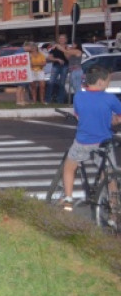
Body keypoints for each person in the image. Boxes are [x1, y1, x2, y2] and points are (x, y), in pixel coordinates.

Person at [60, 66, 121, 210]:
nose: (107, 85)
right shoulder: (110, 98)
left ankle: (68, 198)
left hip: (83, 142)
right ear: (100, 82)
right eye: (107, 82)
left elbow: (78, 115)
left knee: (69, 166)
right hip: (103, 142)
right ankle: (114, 208)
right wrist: (115, 120)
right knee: (109, 176)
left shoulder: (79, 96)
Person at [46, 34, 69, 104]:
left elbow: (69, 57)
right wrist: (57, 59)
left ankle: (60, 101)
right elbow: (49, 58)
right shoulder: (54, 48)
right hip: (55, 66)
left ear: (66, 40)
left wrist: (63, 49)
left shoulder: (68, 48)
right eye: (60, 38)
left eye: (63, 38)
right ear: (58, 40)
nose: (62, 40)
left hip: (65, 66)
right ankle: (48, 100)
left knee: (62, 83)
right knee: (51, 82)